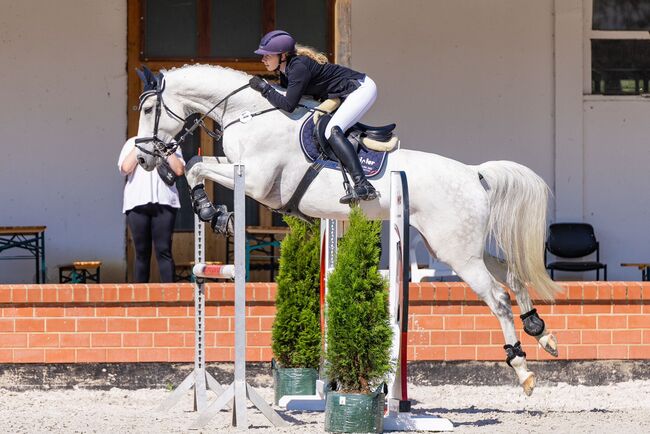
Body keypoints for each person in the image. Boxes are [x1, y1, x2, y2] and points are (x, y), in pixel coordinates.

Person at [249, 30, 378, 204]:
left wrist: (265, 88)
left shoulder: (298, 68)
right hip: (343, 94)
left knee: (332, 131)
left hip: (361, 89)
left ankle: (363, 185)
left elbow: (289, 105)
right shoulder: (286, 70)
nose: (263, 60)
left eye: (267, 56)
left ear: (283, 55)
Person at [118, 137, 185, 282]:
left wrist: (164, 147)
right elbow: (124, 168)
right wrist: (140, 146)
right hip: (137, 203)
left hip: (165, 202)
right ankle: (140, 300)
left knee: (164, 250)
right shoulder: (132, 142)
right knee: (142, 252)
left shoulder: (170, 141)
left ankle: (171, 298)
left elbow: (179, 169)